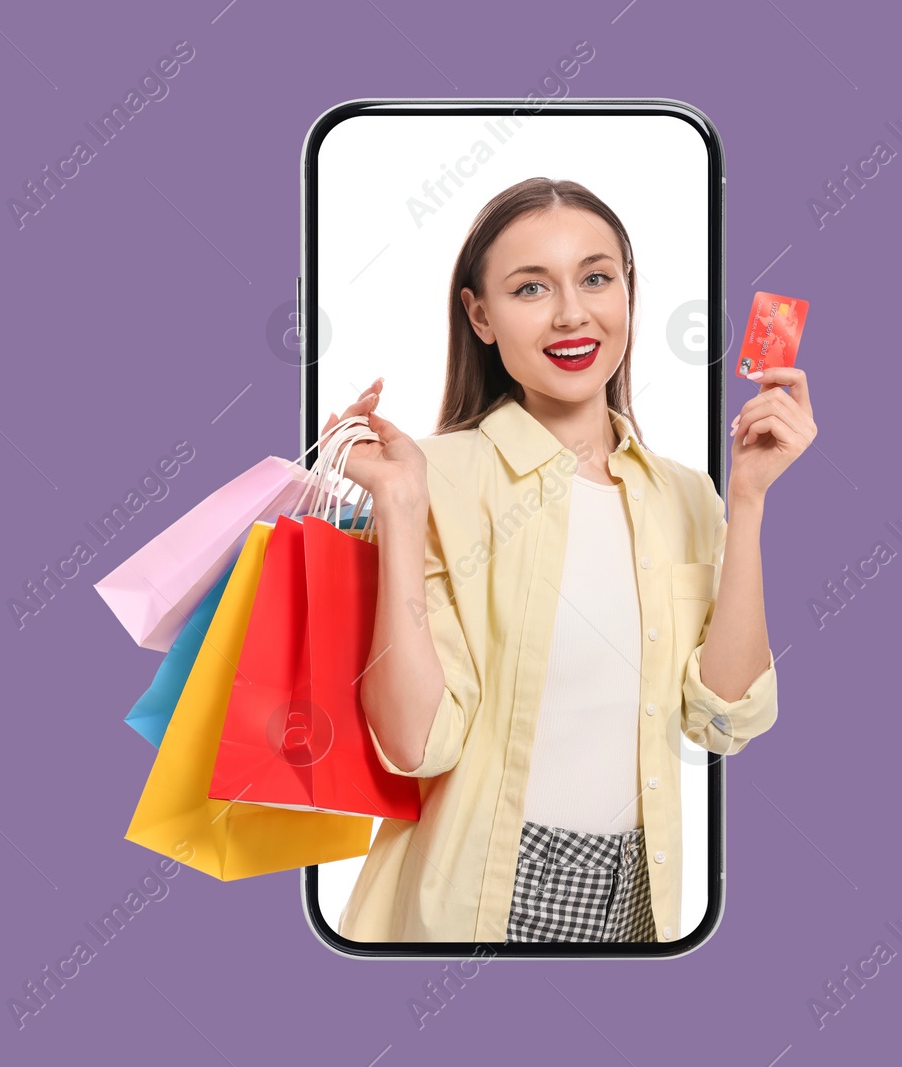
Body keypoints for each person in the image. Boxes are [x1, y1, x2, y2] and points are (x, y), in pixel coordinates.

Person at [328, 177, 816, 944]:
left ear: (627, 290)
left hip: (639, 897)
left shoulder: (686, 495)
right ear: (479, 316)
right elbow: (417, 745)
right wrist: (397, 506)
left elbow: (724, 718)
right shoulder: (434, 475)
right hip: (480, 894)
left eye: (596, 277)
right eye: (531, 287)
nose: (572, 313)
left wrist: (747, 497)